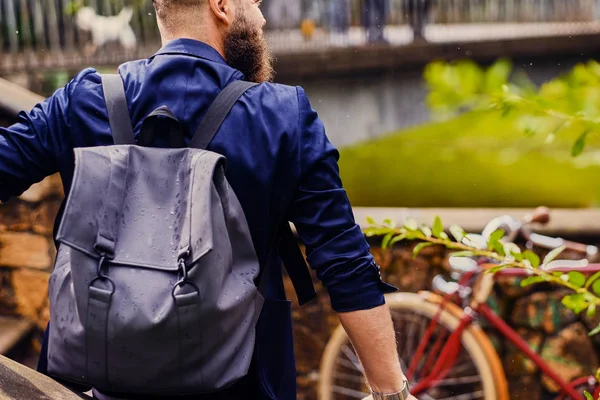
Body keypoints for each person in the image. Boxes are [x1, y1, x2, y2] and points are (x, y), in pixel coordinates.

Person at [0, 0, 416, 399]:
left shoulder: (82, 100)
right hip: (238, 387)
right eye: (254, 3)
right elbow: (346, 265)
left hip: (88, 385)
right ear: (221, 5)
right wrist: (390, 393)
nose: (263, 19)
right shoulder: (283, 116)